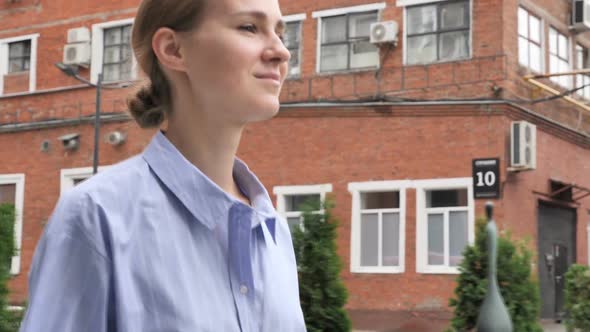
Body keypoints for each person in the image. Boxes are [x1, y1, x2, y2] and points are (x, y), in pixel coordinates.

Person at [19, 0, 306, 330]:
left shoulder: (273, 231)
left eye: (280, 32)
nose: (281, 51)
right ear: (173, 49)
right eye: (249, 27)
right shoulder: (96, 218)